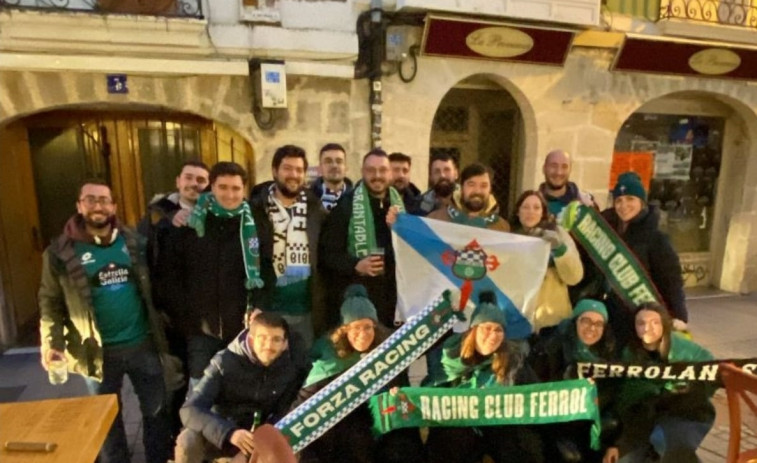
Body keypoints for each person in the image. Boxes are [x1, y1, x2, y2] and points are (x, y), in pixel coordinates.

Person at [38, 179, 172, 463]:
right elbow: (50, 302)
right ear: (79, 205)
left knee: (157, 413)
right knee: (106, 422)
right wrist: (52, 343)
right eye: (90, 199)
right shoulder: (59, 252)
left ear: (113, 206)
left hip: (142, 344)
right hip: (95, 352)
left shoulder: (134, 242)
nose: (97, 206)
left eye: (103, 200)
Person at [295, 285, 424, 463]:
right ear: (344, 330)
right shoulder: (329, 356)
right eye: (356, 328)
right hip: (345, 424)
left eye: (367, 327)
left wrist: (396, 395)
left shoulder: (389, 352)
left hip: (381, 415)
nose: (362, 334)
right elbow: (306, 400)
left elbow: (401, 389)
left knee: (403, 437)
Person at [161, 161, 263, 382]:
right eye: (223, 187)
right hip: (201, 333)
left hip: (242, 327)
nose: (229, 194)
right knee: (199, 393)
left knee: (239, 389)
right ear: (212, 188)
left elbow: (266, 271)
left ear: (243, 190)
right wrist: (188, 321)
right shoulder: (192, 224)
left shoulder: (255, 224)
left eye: (236, 188)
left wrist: (259, 307)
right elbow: (172, 277)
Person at [424, 292, 543, 463]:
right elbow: (428, 394)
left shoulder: (512, 359)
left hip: (499, 425)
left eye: (499, 330)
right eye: (487, 328)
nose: (493, 335)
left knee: (521, 446)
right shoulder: (448, 356)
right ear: (473, 330)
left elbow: (537, 393)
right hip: (460, 425)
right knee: (450, 439)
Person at [175, 312, 309, 463]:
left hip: (257, 438)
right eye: (262, 338)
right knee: (188, 440)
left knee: (289, 445)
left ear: (285, 344)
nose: (268, 346)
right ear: (251, 340)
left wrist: (258, 444)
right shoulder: (224, 363)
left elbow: (283, 412)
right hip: (221, 431)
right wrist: (229, 433)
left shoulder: (290, 368)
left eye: (276, 339)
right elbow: (190, 409)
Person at [137, 159, 209, 439]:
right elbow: (146, 265)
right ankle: (169, 446)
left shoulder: (215, 213)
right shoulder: (157, 218)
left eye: (201, 180)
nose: (195, 184)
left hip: (205, 322)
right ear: (178, 181)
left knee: (205, 386)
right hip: (172, 322)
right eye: (189, 178)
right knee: (172, 391)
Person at [603, 303, 715, 463]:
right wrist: (618, 443)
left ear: (664, 324)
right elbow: (628, 400)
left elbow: (715, 373)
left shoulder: (685, 351)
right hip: (645, 419)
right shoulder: (630, 354)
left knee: (665, 443)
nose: (647, 328)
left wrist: (686, 389)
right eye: (641, 323)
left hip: (686, 414)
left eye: (654, 322)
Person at [600, 172, 687, 349]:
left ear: (642, 202)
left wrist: (679, 315)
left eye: (630, 199)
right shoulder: (609, 230)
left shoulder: (656, 237)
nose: (624, 205)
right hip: (613, 314)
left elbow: (671, 280)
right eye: (619, 200)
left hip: (643, 317)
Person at [250, 145, 327, 346]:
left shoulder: (315, 210)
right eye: (287, 168)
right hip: (268, 309)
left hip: (306, 312)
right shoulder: (255, 209)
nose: (293, 174)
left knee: (305, 372)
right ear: (275, 171)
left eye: (299, 170)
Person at [319, 148, 404, 328]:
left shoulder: (402, 205)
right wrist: (355, 265)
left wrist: (399, 229)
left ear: (390, 173)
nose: (377, 175)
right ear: (363, 172)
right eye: (371, 170)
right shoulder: (346, 206)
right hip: (359, 302)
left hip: (394, 302)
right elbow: (327, 254)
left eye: (382, 170)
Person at [528, 299, 618, 462]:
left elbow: (611, 399)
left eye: (598, 324)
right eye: (586, 321)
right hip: (555, 423)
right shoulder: (551, 347)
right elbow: (537, 392)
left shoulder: (607, 355)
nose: (592, 328)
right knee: (570, 456)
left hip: (587, 423)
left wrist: (612, 443)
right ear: (575, 321)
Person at [510, 190, 583, 333]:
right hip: (518, 319)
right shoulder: (508, 238)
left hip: (552, 320)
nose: (530, 212)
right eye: (525, 207)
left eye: (536, 207)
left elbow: (574, 277)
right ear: (517, 212)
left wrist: (559, 250)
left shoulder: (558, 233)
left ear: (543, 212)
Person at [427, 162, 509, 231]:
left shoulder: (501, 227)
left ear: (490, 189)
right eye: (471, 185)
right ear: (461, 187)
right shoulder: (435, 220)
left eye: (484, 185)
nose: (477, 191)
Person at [538, 149, 596, 218]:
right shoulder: (533, 205)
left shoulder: (586, 204)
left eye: (564, 167)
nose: (559, 172)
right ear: (544, 168)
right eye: (554, 166)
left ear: (570, 170)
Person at [310, 143, 353, 212]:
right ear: (320, 168)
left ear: (346, 167)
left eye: (339, 161)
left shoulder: (357, 200)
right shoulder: (307, 199)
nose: (334, 166)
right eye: (328, 161)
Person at [414, 152, 459, 216]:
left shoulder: (467, 201)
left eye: (447, 170)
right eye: (437, 171)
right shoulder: (418, 206)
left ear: (456, 174)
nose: (442, 175)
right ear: (430, 176)